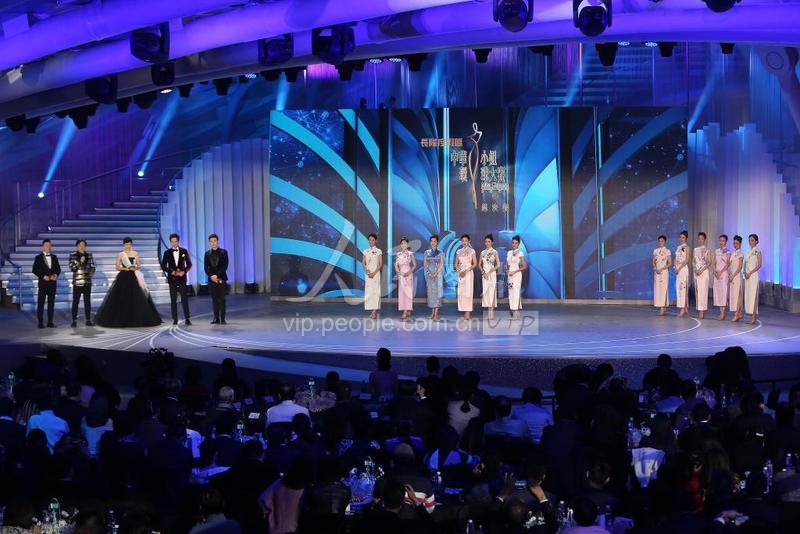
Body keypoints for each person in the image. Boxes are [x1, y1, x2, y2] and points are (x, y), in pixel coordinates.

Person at [95, 237, 162, 327]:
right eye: (126, 244)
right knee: (122, 297)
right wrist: (125, 268)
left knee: (136, 297)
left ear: (131, 244)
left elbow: (139, 265)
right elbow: (117, 267)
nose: (128, 246)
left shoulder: (135, 253)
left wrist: (135, 267)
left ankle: (136, 318)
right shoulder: (120, 254)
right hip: (123, 277)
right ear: (124, 244)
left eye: (129, 244)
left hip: (134, 276)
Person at [161, 233, 193, 325]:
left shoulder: (184, 251)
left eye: (175, 241)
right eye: (172, 242)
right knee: (173, 299)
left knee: (184, 299)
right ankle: (175, 319)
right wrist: (171, 272)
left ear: (178, 241)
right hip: (172, 279)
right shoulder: (167, 252)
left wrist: (184, 271)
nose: (174, 243)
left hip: (182, 278)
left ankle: (187, 318)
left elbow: (189, 264)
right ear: (170, 242)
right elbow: (163, 266)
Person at [32, 239, 61, 328]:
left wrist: (56, 275)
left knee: (51, 303)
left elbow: (58, 269)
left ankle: (50, 322)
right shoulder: (38, 257)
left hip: (52, 284)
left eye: (49, 245)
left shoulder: (54, 257)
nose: (48, 247)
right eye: (46, 245)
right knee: (41, 303)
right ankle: (40, 322)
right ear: (43, 247)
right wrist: (43, 276)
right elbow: (34, 270)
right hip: (43, 284)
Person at [69, 239, 96, 327]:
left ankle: (88, 320)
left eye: (83, 245)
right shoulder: (72, 255)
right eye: (80, 245)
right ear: (77, 246)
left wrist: (90, 275)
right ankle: (74, 320)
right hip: (77, 282)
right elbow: (72, 268)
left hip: (87, 282)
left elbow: (93, 267)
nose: (82, 247)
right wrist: (80, 261)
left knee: (87, 301)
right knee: (75, 301)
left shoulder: (89, 255)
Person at [204, 233, 229, 325]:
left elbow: (225, 266)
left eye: (214, 241)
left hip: (221, 278)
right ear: (209, 243)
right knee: (214, 299)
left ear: (217, 241)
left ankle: (223, 319)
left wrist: (217, 276)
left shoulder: (224, 252)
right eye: (211, 241)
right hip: (211, 280)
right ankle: (216, 318)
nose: (213, 243)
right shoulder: (207, 254)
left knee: (222, 299)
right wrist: (211, 276)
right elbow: (206, 267)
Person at [455, 233, 477, 320]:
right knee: (461, 292)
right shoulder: (459, 251)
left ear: (469, 241)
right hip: (461, 273)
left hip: (468, 273)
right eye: (463, 241)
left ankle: (468, 312)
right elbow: (456, 264)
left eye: (466, 241)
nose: (464, 242)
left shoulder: (472, 251)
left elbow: (475, 263)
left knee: (468, 292)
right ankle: (464, 310)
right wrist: (459, 271)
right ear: (461, 241)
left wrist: (466, 271)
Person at [394, 236, 416, 320]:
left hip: (408, 274)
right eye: (402, 243)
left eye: (405, 243)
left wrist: (409, 272)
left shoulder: (410, 253)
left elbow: (414, 265)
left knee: (408, 292)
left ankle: (405, 311)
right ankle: (406, 309)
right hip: (401, 275)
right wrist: (399, 272)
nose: (403, 245)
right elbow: (396, 265)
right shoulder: (398, 254)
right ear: (400, 245)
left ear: (407, 244)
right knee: (402, 293)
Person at [480, 234, 500, 319]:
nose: (487, 243)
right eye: (486, 242)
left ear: (492, 242)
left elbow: (498, 264)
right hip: (485, 275)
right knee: (486, 292)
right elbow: (479, 265)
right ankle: (489, 311)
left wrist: (490, 271)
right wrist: (483, 272)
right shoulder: (482, 252)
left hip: (492, 274)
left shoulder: (494, 252)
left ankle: (491, 312)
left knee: (492, 292)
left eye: (489, 241)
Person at [423, 235, 443, 321]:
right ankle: (432, 313)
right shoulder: (427, 252)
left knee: (437, 293)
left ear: (437, 242)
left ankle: (436, 313)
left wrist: (436, 273)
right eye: (431, 241)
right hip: (430, 275)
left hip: (437, 275)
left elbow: (441, 264)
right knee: (431, 293)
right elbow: (425, 264)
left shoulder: (440, 252)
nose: (433, 242)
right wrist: (429, 273)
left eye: (435, 241)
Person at [507, 235, 527, 319]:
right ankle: (516, 312)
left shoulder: (520, 253)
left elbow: (524, 266)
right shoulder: (509, 253)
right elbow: (508, 264)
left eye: (516, 243)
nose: (514, 244)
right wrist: (508, 271)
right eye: (513, 243)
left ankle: (515, 314)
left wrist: (515, 271)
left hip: (516, 275)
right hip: (510, 275)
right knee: (511, 293)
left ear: (519, 244)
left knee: (515, 292)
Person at [363, 233, 382, 319]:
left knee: (375, 292)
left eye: (373, 240)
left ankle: (375, 311)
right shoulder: (365, 251)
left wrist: (374, 273)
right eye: (370, 240)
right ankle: (372, 311)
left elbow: (380, 263)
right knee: (369, 292)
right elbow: (363, 262)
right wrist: (367, 270)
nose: (371, 241)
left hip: (376, 273)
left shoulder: (379, 251)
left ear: (376, 241)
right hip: (368, 274)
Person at [693, 232, 712, 319]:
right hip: (697, 273)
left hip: (704, 273)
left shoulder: (707, 250)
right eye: (699, 238)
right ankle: (699, 308)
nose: (700, 240)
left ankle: (702, 311)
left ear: (704, 240)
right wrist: (695, 270)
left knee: (703, 292)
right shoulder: (695, 249)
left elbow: (709, 262)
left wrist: (701, 270)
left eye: (702, 239)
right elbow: (693, 262)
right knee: (698, 291)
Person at [744, 233, 762, 325]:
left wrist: (750, 273)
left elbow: (759, 265)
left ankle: (754, 317)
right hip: (747, 276)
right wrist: (745, 273)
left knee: (753, 295)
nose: (750, 242)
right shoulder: (748, 252)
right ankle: (751, 315)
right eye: (749, 240)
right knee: (749, 296)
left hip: (753, 275)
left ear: (756, 241)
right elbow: (745, 263)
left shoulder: (757, 251)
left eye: (752, 240)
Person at [652, 235, 672, 316]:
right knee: (658, 289)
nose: (660, 242)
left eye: (662, 241)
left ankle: (662, 308)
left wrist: (662, 269)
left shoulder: (667, 251)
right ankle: (662, 306)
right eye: (659, 241)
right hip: (657, 272)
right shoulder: (655, 251)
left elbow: (670, 263)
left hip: (664, 272)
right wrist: (655, 268)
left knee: (663, 289)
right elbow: (653, 261)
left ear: (665, 242)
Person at [713, 234, 731, 321]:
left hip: (723, 274)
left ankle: (723, 313)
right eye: (720, 240)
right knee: (718, 292)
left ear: (726, 242)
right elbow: (714, 262)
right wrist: (715, 271)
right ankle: (720, 311)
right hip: (716, 274)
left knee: (723, 292)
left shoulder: (728, 252)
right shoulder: (716, 251)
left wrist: (720, 272)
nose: (721, 242)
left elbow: (727, 264)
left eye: (723, 240)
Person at [674, 230, 690, 318]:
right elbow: (675, 259)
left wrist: (679, 268)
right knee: (678, 288)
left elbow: (687, 260)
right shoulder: (678, 248)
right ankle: (685, 306)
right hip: (678, 270)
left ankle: (683, 309)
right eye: (680, 237)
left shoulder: (687, 247)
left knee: (682, 288)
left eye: (683, 237)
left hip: (683, 269)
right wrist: (675, 268)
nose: (681, 239)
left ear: (686, 238)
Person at [729, 235, 744, 322]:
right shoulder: (733, 253)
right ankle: (739, 312)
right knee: (734, 296)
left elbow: (740, 267)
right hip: (732, 276)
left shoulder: (740, 253)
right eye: (734, 243)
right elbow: (731, 265)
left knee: (737, 295)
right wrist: (730, 274)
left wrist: (733, 275)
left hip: (737, 276)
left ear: (740, 244)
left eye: (737, 243)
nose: (735, 245)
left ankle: (737, 314)